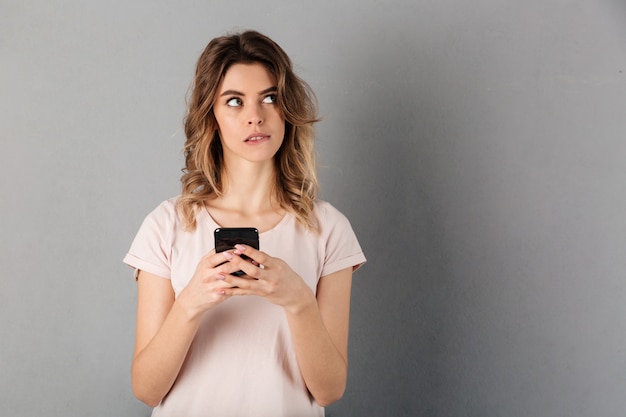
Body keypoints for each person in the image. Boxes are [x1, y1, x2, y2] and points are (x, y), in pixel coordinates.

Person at [123, 30, 366, 417]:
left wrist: (298, 299)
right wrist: (190, 302)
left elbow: (330, 389)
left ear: (287, 109)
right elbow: (147, 389)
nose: (255, 115)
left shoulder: (329, 229)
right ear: (211, 116)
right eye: (234, 101)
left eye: (270, 98)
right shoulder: (166, 225)